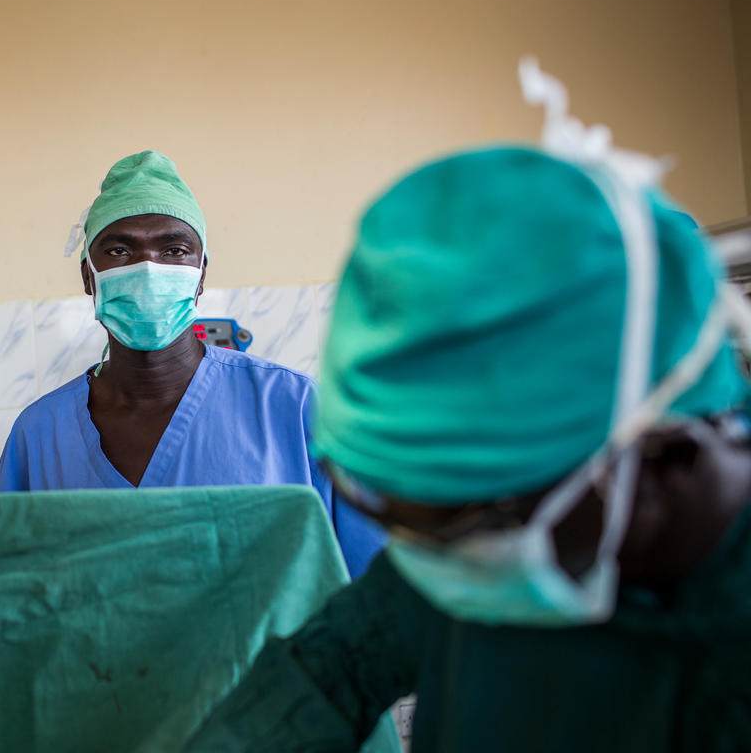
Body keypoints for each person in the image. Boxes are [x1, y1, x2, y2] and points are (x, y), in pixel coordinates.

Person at [183, 62, 751, 752]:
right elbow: (327, 669)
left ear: (664, 454)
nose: (429, 567)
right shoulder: (473, 537)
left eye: (453, 526)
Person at [0, 150, 385, 574]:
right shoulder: (40, 434)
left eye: (174, 249)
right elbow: (1, 585)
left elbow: (376, 582)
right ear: (89, 276)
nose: (148, 269)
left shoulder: (296, 409)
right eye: (119, 250)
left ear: (201, 275)